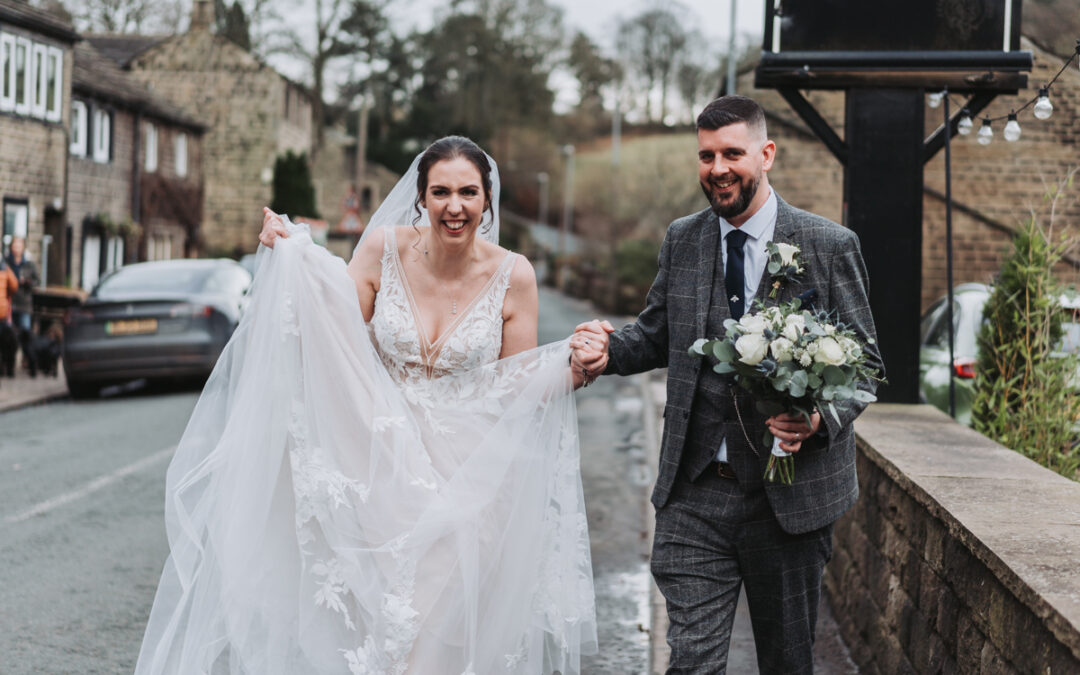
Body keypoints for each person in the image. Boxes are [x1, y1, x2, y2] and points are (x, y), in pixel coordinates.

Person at [135, 136, 600, 675]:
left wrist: (572, 369)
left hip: (467, 476)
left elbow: (514, 383)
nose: (455, 207)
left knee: (435, 625)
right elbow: (334, 326)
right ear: (421, 198)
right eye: (441, 192)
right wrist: (293, 258)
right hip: (377, 457)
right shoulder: (384, 248)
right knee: (371, 620)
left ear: (488, 200)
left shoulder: (514, 274)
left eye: (468, 193)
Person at [573, 96, 882, 674]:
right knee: (692, 662)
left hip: (787, 500)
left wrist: (817, 419)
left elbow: (864, 366)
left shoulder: (827, 245)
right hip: (695, 491)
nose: (717, 168)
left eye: (732, 153)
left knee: (787, 664)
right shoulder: (683, 239)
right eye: (706, 155)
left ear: (766, 154)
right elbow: (658, 332)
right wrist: (606, 351)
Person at [6, 237, 40, 375]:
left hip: (24, 305)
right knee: (10, 338)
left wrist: (28, 282)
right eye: (15, 244)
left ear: (23, 247)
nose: (17, 247)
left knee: (26, 334)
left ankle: (30, 363)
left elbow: (37, 282)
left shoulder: (29, 264)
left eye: (19, 244)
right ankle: (10, 365)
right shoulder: (6, 263)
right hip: (9, 304)